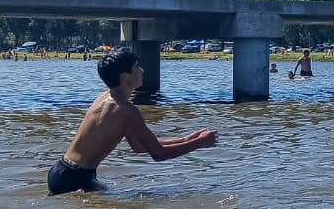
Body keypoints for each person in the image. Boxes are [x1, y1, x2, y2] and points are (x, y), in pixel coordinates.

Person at [46, 50, 217, 195]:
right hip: (75, 178)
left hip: (62, 170)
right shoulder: (126, 111)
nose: (142, 70)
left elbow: (138, 146)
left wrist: (186, 139)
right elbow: (159, 154)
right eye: (137, 67)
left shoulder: (104, 97)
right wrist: (199, 143)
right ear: (125, 77)